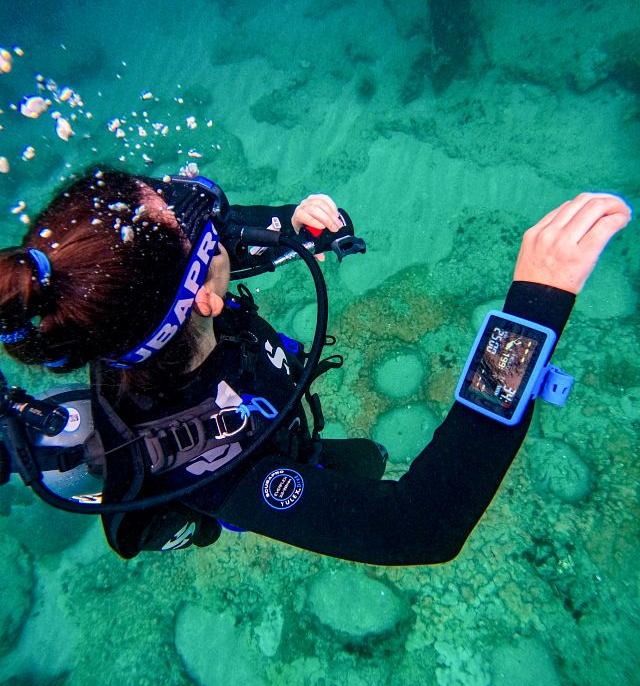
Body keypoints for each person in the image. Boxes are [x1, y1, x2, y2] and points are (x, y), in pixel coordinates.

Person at [0, 169, 632, 564]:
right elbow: (417, 529)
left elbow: (202, 250)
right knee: (345, 471)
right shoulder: (203, 466)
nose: (211, 213)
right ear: (205, 300)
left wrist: (292, 227)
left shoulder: (110, 304)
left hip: (246, 381)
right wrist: (531, 317)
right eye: (189, 217)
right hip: (258, 454)